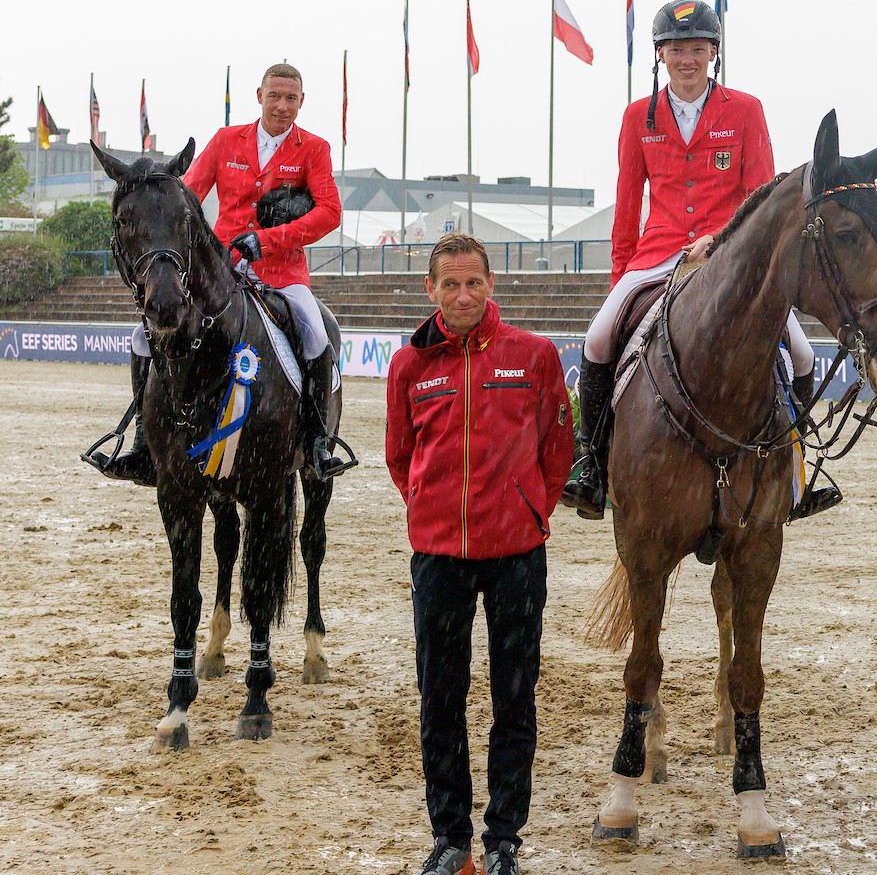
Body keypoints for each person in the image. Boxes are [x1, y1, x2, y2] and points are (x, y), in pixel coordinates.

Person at [563, 0, 830, 522]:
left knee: (799, 352)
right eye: (676, 49)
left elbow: (763, 198)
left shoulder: (746, 109)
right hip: (658, 254)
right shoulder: (637, 117)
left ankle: (799, 472)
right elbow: (626, 205)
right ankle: (592, 465)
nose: (688, 58)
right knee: (597, 340)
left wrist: (722, 238)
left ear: (714, 52)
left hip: (731, 259)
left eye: (698, 48)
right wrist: (622, 278)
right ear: (660, 55)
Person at [387, 233, 572, 875]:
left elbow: (557, 448)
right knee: (440, 697)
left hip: (517, 555)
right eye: (450, 284)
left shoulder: (535, 355)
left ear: (491, 285)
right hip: (439, 556)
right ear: (430, 290)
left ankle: (503, 841)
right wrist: (433, 512)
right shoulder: (409, 365)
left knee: (513, 699)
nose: (463, 295)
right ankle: (450, 839)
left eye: (474, 283)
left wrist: (529, 511)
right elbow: (399, 456)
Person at [95, 62, 351, 484]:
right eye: (275, 96)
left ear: (301, 102)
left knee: (316, 334)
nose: (282, 106)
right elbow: (188, 197)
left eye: (291, 98)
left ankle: (318, 442)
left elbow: (330, 212)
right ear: (259, 96)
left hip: (283, 273)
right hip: (221, 274)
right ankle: (143, 443)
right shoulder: (226, 140)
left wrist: (269, 240)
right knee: (143, 335)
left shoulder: (314, 149)